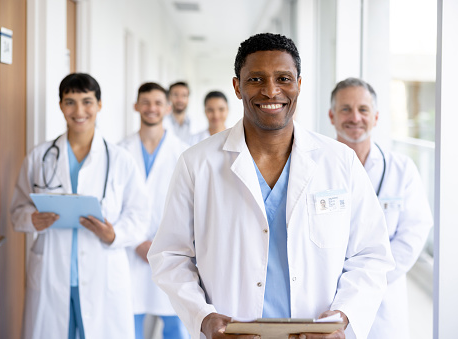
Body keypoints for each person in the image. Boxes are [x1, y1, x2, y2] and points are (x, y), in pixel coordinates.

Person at [148, 33, 394, 339]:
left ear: (299, 85)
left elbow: (370, 255)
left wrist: (343, 317)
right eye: (256, 79)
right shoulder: (197, 163)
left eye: (283, 78)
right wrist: (204, 317)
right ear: (237, 87)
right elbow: (170, 256)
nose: (271, 90)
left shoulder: (339, 162)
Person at [10, 73, 149, 339]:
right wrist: (31, 220)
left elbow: (139, 216)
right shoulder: (39, 157)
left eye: (87, 102)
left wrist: (114, 234)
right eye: (70, 102)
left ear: (99, 105)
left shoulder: (120, 159)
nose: (79, 111)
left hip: (103, 272)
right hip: (52, 271)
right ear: (61, 106)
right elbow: (17, 210)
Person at [328, 77, 433, 339]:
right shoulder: (316, 168)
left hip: (384, 299)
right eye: (345, 109)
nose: (355, 117)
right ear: (332, 116)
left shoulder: (401, 169)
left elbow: (414, 230)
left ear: (375, 117)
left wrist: (370, 278)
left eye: (363, 109)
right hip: (328, 296)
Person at [120, 82, 189, 339]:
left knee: (176, 326)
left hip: (170, 252)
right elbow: (114, 204)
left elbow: (190, 207)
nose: (152, 108)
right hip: (130, 250)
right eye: (146, 102)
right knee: (128, 326)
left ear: (168, 108)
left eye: (158, 103)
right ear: (136, 106)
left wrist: (160, 243)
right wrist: (137, 241)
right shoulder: (119, 151)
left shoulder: (183, 153)